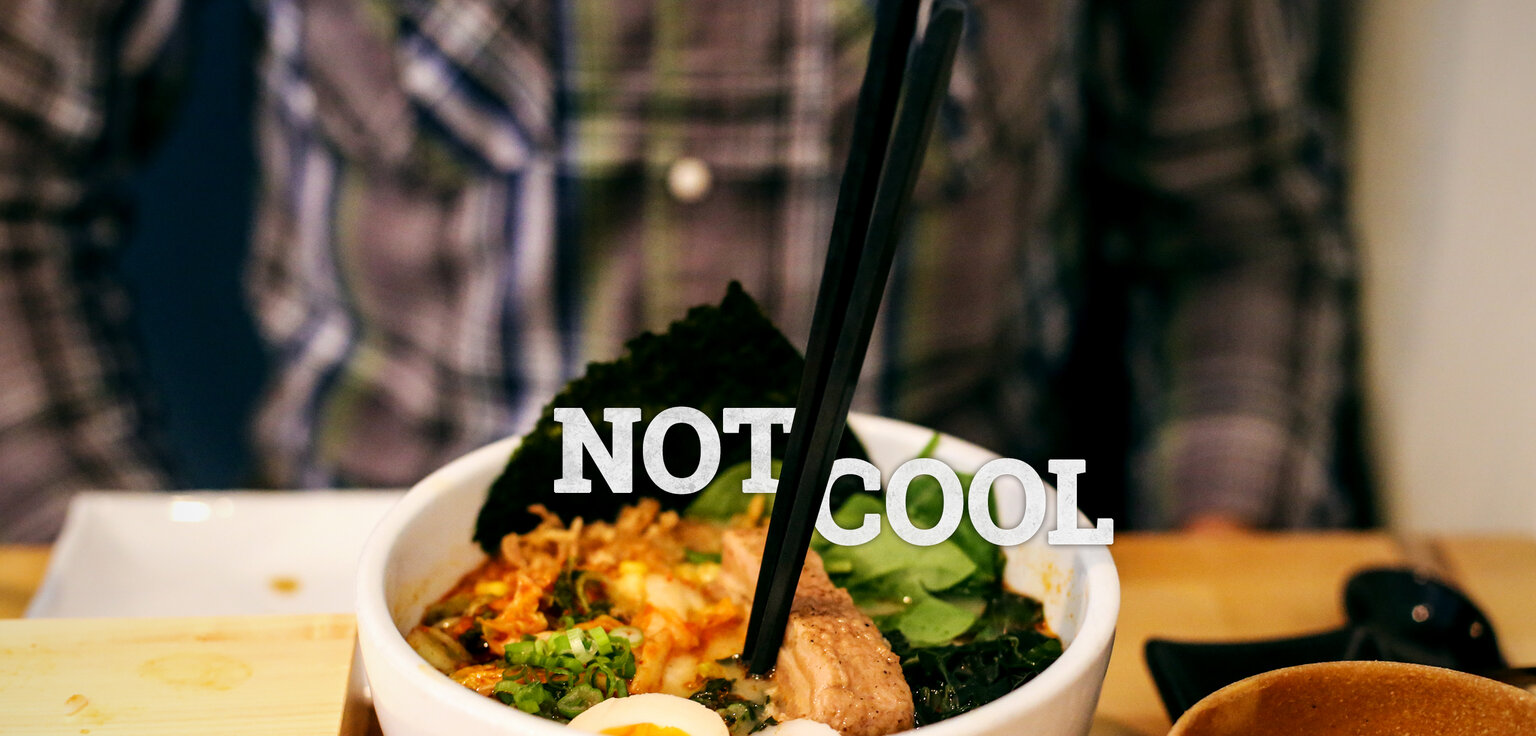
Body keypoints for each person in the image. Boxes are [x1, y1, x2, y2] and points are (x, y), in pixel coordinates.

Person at [0, 0, 1371, 542]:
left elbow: (1236, 225)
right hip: (370, 616)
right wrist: (102, 581)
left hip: (936, 618)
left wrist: (1217, 563)